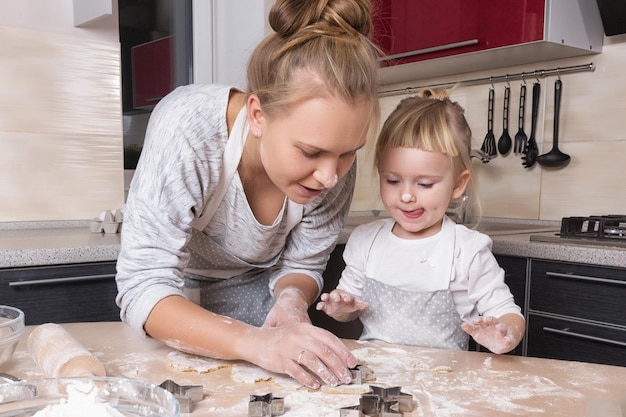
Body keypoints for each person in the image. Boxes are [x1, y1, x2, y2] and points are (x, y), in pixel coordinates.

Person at [115, 0, 380, 389]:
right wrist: (253, 342)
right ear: (258, 115)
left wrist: (290, 301)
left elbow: (303, 266)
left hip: (264, 317)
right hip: (175, 313)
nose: (328, 176)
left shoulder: (333, 163)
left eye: (347, 153)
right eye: (310, 152)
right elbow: (144, 285)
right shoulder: (189, 127)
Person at [316, 89, 525, 354]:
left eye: (425, 184)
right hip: (375, 376)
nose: (406, 195)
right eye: (392, 180)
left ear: (458, 184)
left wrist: (503, 334)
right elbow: (348, 309)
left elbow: (508, 313)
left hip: (444, 380)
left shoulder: (466, 250)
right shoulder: (366, 241)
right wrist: (340, 308)